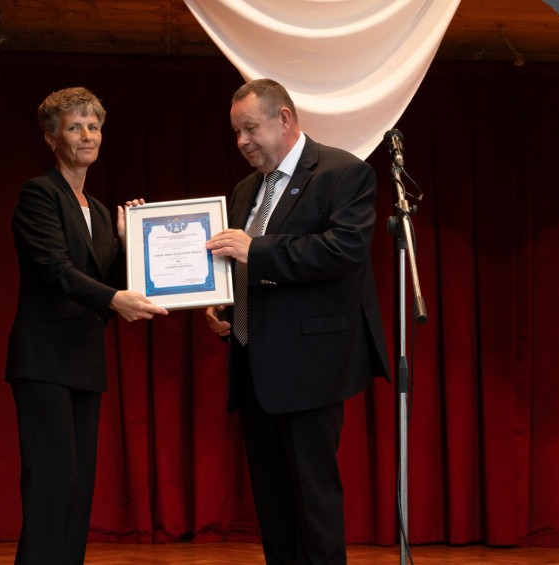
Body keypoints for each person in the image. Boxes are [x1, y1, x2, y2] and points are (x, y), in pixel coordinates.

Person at [205, 78, 391, 564]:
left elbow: (344, 250)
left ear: (284, 118)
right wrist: (225, 304)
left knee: (314, 504)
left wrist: (256, 250)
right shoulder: (245, 190)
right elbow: (247, 266)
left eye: (250, 128)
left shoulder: (342, 173)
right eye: (236, 132)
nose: (242, 141)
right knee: (274, 507)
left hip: (310, 369)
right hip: (253, 366)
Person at [5, 86, 168, 565]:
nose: (86, 135)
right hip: (43, 358)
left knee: (77, 486)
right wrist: (115, 299)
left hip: (84, 359)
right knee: (51, 481)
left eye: (93, 126)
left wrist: (127, 243)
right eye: (74, 127)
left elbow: (107, 279)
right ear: (50, 136)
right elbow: (56, 270)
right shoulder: (39, 194)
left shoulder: (97, 209)